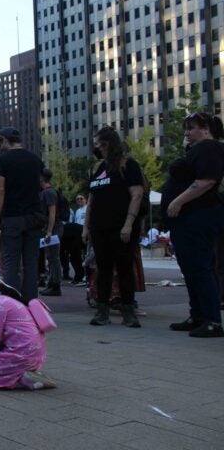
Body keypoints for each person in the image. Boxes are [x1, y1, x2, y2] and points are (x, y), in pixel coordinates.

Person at [163, 112, 224, 337]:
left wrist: (177, 202)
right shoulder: (197, 150)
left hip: (199, 216)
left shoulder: (210, 148)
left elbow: (207, 181)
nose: (187, 133)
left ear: (206, 128)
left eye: (192, 128)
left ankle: (212, 320)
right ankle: (198, 314)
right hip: (188, 219)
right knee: (191, 268)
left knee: (200, 268)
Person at [82, 126, 144, 328]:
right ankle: (102, 311)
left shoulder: (129, 165)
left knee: (125, 269)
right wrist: (86, 227)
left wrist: (128, 224)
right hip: (100, 228)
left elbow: (136, 195)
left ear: (108, 144)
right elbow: (91, 199)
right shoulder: (97, 169)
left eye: (100, 143)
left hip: (121, 227)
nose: (97, 147)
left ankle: (128, 311)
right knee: (103, 269)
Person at [0, 127, 45, 301]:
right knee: (31, 263)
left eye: (0, 143)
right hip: (34, 215)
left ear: (5, 140)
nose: (0, 147)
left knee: (11, 264)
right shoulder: (36, 160)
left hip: (13, 217)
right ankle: (31, 304)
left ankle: (13, 304)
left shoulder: (3, 161)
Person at [39, 168, 63, 296]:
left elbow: (52, 213)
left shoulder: (48, 192)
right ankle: (52, 284)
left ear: (42, 177)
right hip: (52, 228)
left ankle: (55, 285)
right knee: (51, 257)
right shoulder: (48, 192)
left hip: (53, 229)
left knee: (53, 258)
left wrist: (49, 231)